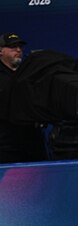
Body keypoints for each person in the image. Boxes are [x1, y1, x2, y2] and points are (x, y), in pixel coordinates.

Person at [0, 32, 47, 163]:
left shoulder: (30, 74)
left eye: (20, 47)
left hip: (33, 142)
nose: (18, 50)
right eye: (12, 47)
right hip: (6, 144)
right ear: (0, 51)